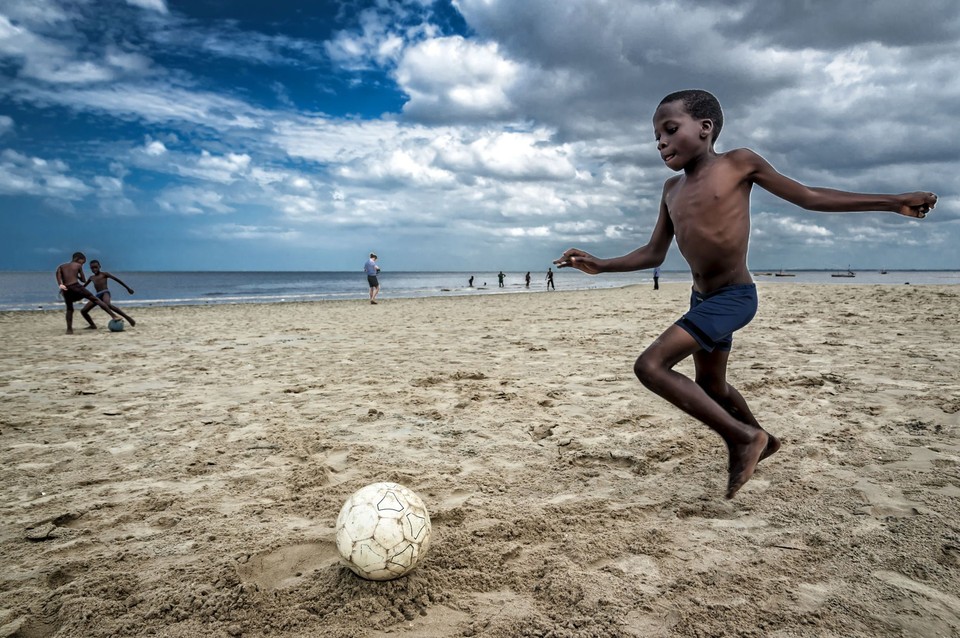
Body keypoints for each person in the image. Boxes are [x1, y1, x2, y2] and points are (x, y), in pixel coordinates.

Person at [555, 89, 936, 499]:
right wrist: (601, 264)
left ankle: (741, 438)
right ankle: (763, 440)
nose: (661, 142)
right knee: (712, 387)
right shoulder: (671, 190)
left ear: (705, 129)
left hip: (735, 297)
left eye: (669, 130)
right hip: (702, 300)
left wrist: (893, 201)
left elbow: (809, 197)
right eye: (656, 137)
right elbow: (654, 252)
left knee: (650, 366)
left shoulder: (739, 163)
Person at [55, 252, 121, 334]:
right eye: (83, 262)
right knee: (95, 299)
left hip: (66, 289)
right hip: (76, 287)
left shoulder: (61, 266)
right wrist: (77, 276)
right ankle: (114, 316)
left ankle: (69, 329)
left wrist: (60, 284)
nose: (82, 264)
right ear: (78, 259)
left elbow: (58, 274)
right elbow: (83, 280)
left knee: (69, 309)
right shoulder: (78, 265)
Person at [81, 260, 137, 328]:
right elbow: (83, 287)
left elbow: (117, 280)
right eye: (92, 268)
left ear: (99, 266)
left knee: (107, 304)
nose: (94, 269)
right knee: (83, 311)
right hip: (97, 296)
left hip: (105, 292)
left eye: (96, 267)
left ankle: (128, 318)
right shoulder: (91, 277)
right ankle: (92, 325)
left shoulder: (104, 274)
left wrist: (128, 288)